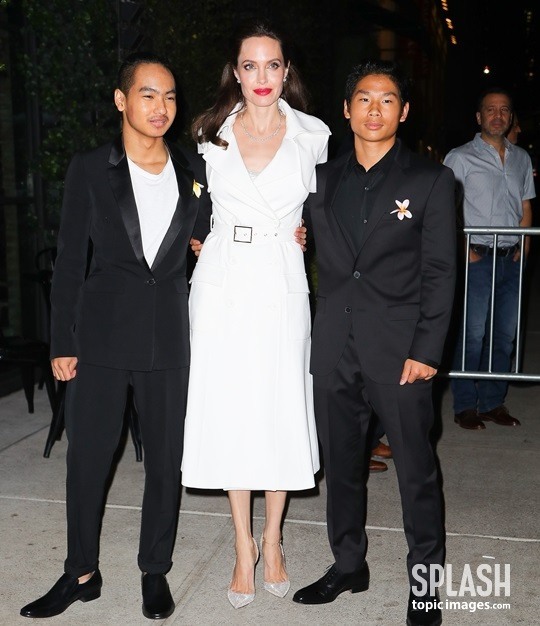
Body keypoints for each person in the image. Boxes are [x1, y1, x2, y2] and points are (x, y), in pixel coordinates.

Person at [20, 53, 211, 620]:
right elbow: (69, 261)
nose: (160, 106)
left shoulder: (195, 172)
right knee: (88, 461)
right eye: (148, 94)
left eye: (170, 96)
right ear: (122, 100)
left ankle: (155, 570)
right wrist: (62, 341)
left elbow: (212, 238)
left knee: (165, 465)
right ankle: (81, 572)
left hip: (168, 340)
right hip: (100, 340)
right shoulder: (90, 168)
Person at [293, 59, 456, 626]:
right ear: (346, 109)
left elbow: (441, 272)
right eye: (364, 98)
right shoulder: (318, 178)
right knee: (341, 468)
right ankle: (348, 565)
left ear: (403, 112)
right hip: (335, 345)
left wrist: (428, 351)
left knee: (416, 472)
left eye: (387, 100)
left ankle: (426, 586)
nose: (374, 109)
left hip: (401, 351)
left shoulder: (431, 180)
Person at [181, 19, 330, 609]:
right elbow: (188, 203)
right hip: (222, 281)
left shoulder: (314, 136)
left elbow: (329, 208)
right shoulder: (210, 134)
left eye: (272, 65)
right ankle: (243, 545)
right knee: (233, 411)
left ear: (286, 71)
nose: (262, 76)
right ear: (236, 73)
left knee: (279, 406)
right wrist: (193, 238)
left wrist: (309, 235)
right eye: (250, 65)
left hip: (280, 275)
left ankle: (273, 539)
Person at [444, 88, 535, 430]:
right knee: (473, 333)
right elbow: (444, 207)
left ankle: (493, 402)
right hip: (477, 258)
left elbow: (525, 205)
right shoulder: (460, 157)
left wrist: (524, 248)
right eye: (491, 110)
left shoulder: (522, 158)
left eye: (504, 110)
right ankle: (466, 405)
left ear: (511, 117)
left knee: (505, 335)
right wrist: (464, 249)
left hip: (511, 259)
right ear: (479, 116)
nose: (498, 115)